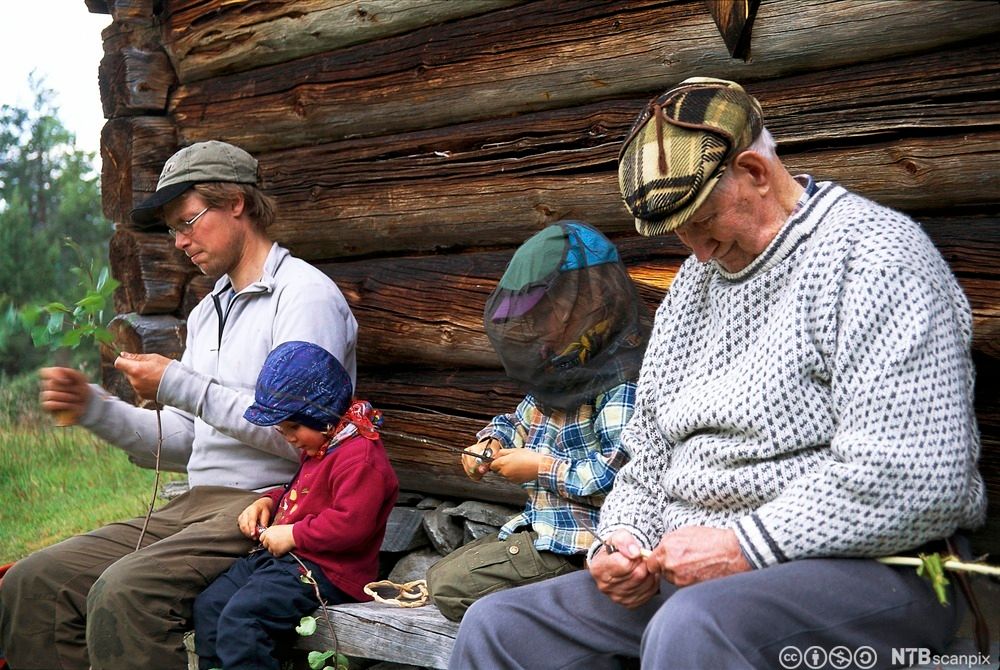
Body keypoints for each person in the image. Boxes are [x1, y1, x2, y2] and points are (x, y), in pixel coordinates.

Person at [448, 77, 987, 669]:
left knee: (693, 627)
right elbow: (647, 455)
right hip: (698, 580)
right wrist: (622, 538)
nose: (697, 251)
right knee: (501, 626)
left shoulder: (876, 257)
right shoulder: (692, 288)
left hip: (874, 573)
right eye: (681, 235)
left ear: (755, 171)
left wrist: (744, 546)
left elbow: (918, 478)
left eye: (703, 222)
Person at [0, 140, 359, 670]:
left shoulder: (303, 296)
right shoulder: (207, 311)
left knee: (124, 593)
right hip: (194, 505)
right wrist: (94, 408)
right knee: (36, 582)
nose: (180, 241)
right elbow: (186, 440)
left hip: (270, 505)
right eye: (173, 229)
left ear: (236, 202)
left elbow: (309, 433)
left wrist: (179, 383)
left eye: (189, 221)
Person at [426, 221, 649, 621]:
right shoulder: (564, 366)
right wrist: (490, 442)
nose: (536, 327)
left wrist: (541, 467)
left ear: (589, 301)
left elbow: (620, 476)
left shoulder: (620, 382)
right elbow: (519, 419)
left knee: (449, 586)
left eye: (545, 313)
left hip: (588, 546)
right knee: (441, 575)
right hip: (545, 531)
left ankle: (580, 607)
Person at [193, 340, 398, 670]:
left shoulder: (359, 459)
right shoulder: (325, 445)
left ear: (322, 414)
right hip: (290, 560)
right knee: (210, 605)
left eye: (293, 426)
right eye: (282, 428)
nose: (287, 436)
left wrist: (295, 535)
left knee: (243, 620)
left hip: (327, 572)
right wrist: (269, 501)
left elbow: (350, 525)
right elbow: (304, 492)